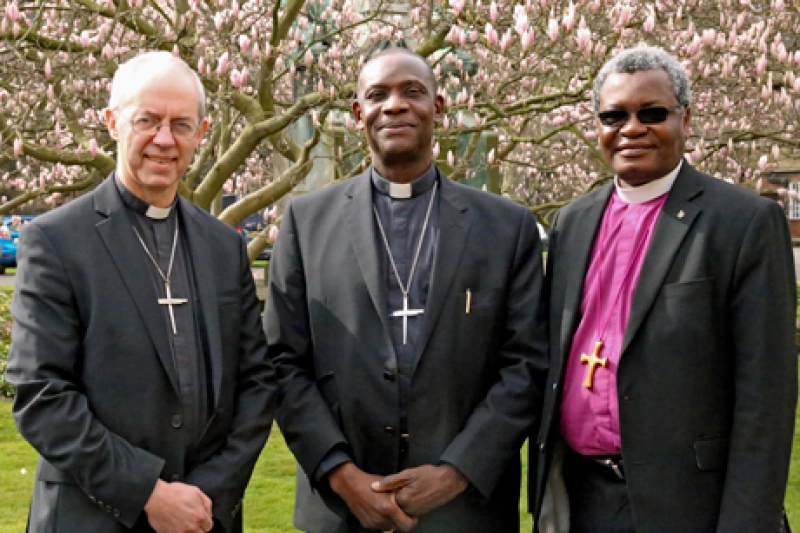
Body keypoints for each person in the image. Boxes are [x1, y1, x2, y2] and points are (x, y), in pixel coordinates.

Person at [264, 47, 548, 532]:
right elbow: (280, 362)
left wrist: (457, 472)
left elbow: (526, 364)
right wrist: (341, 474)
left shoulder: (507, 227)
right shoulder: (306, 224)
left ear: (438, 107)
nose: (394, 105)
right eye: (377, 95)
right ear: (358, 114)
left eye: (412, 92)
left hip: (466, 512)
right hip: (341, 511)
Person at [6, 51, 275, 533]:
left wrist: (207, 494)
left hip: (204, 519)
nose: (164, 140)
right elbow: (42, 394)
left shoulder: (222, 247)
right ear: (113, 122)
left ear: (203, 133)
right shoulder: (56, 241)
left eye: (181, 125)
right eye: (147, 121)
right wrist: (147, 492)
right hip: (91, 517)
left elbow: (256, 382)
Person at [531, 45, 797, 533]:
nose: (632, 128)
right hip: (584, 497)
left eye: (651, 113)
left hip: (691, 504)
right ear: (597, 127)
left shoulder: (743, 222)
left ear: (686, 118)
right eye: (614, 116)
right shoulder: (572, 221)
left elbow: (767, 399)